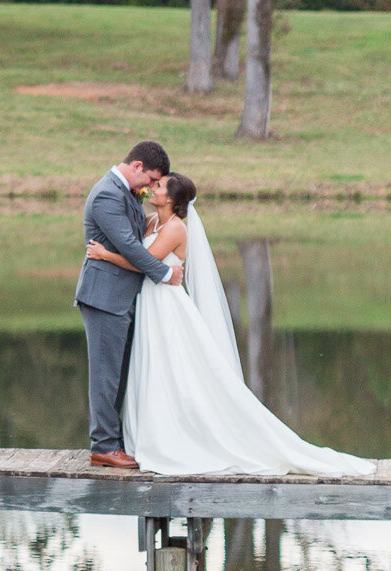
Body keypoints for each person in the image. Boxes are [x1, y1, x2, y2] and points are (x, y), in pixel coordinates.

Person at [86, 172, 374, 478]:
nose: (151, 188)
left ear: (171, 199)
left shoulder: (174, 228)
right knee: (151, 366)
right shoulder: (152, 222)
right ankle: (148, 434)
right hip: (149, 303)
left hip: (167, 307)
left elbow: (144, 262)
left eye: (158, 186)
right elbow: (134, 248)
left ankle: (181, 437)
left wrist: (105, 255)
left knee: (173, 367)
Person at [76, 142, 184, 472]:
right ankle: (104, 447)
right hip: (105, 297)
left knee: (120, 375)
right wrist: (165, 273)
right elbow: (130, 247)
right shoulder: (108, 194)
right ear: (136, 166)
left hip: (122, 297)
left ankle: (116, 442)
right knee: (105, 377)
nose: (151, 187)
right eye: (151, 179)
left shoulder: (126, 192)